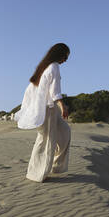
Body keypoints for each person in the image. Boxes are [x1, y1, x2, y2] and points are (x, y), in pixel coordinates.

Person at [14, 43, 71, 182]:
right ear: (59, 54)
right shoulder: (53, 67)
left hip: (48, 108)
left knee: (64, 132)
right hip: (48, 109)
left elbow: (31, 90)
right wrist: (62, 106)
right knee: (46, 141)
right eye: (65, 56)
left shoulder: (45, 67)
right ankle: (37, 174)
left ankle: (56, 166)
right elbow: (55, 91)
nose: (66, 60)